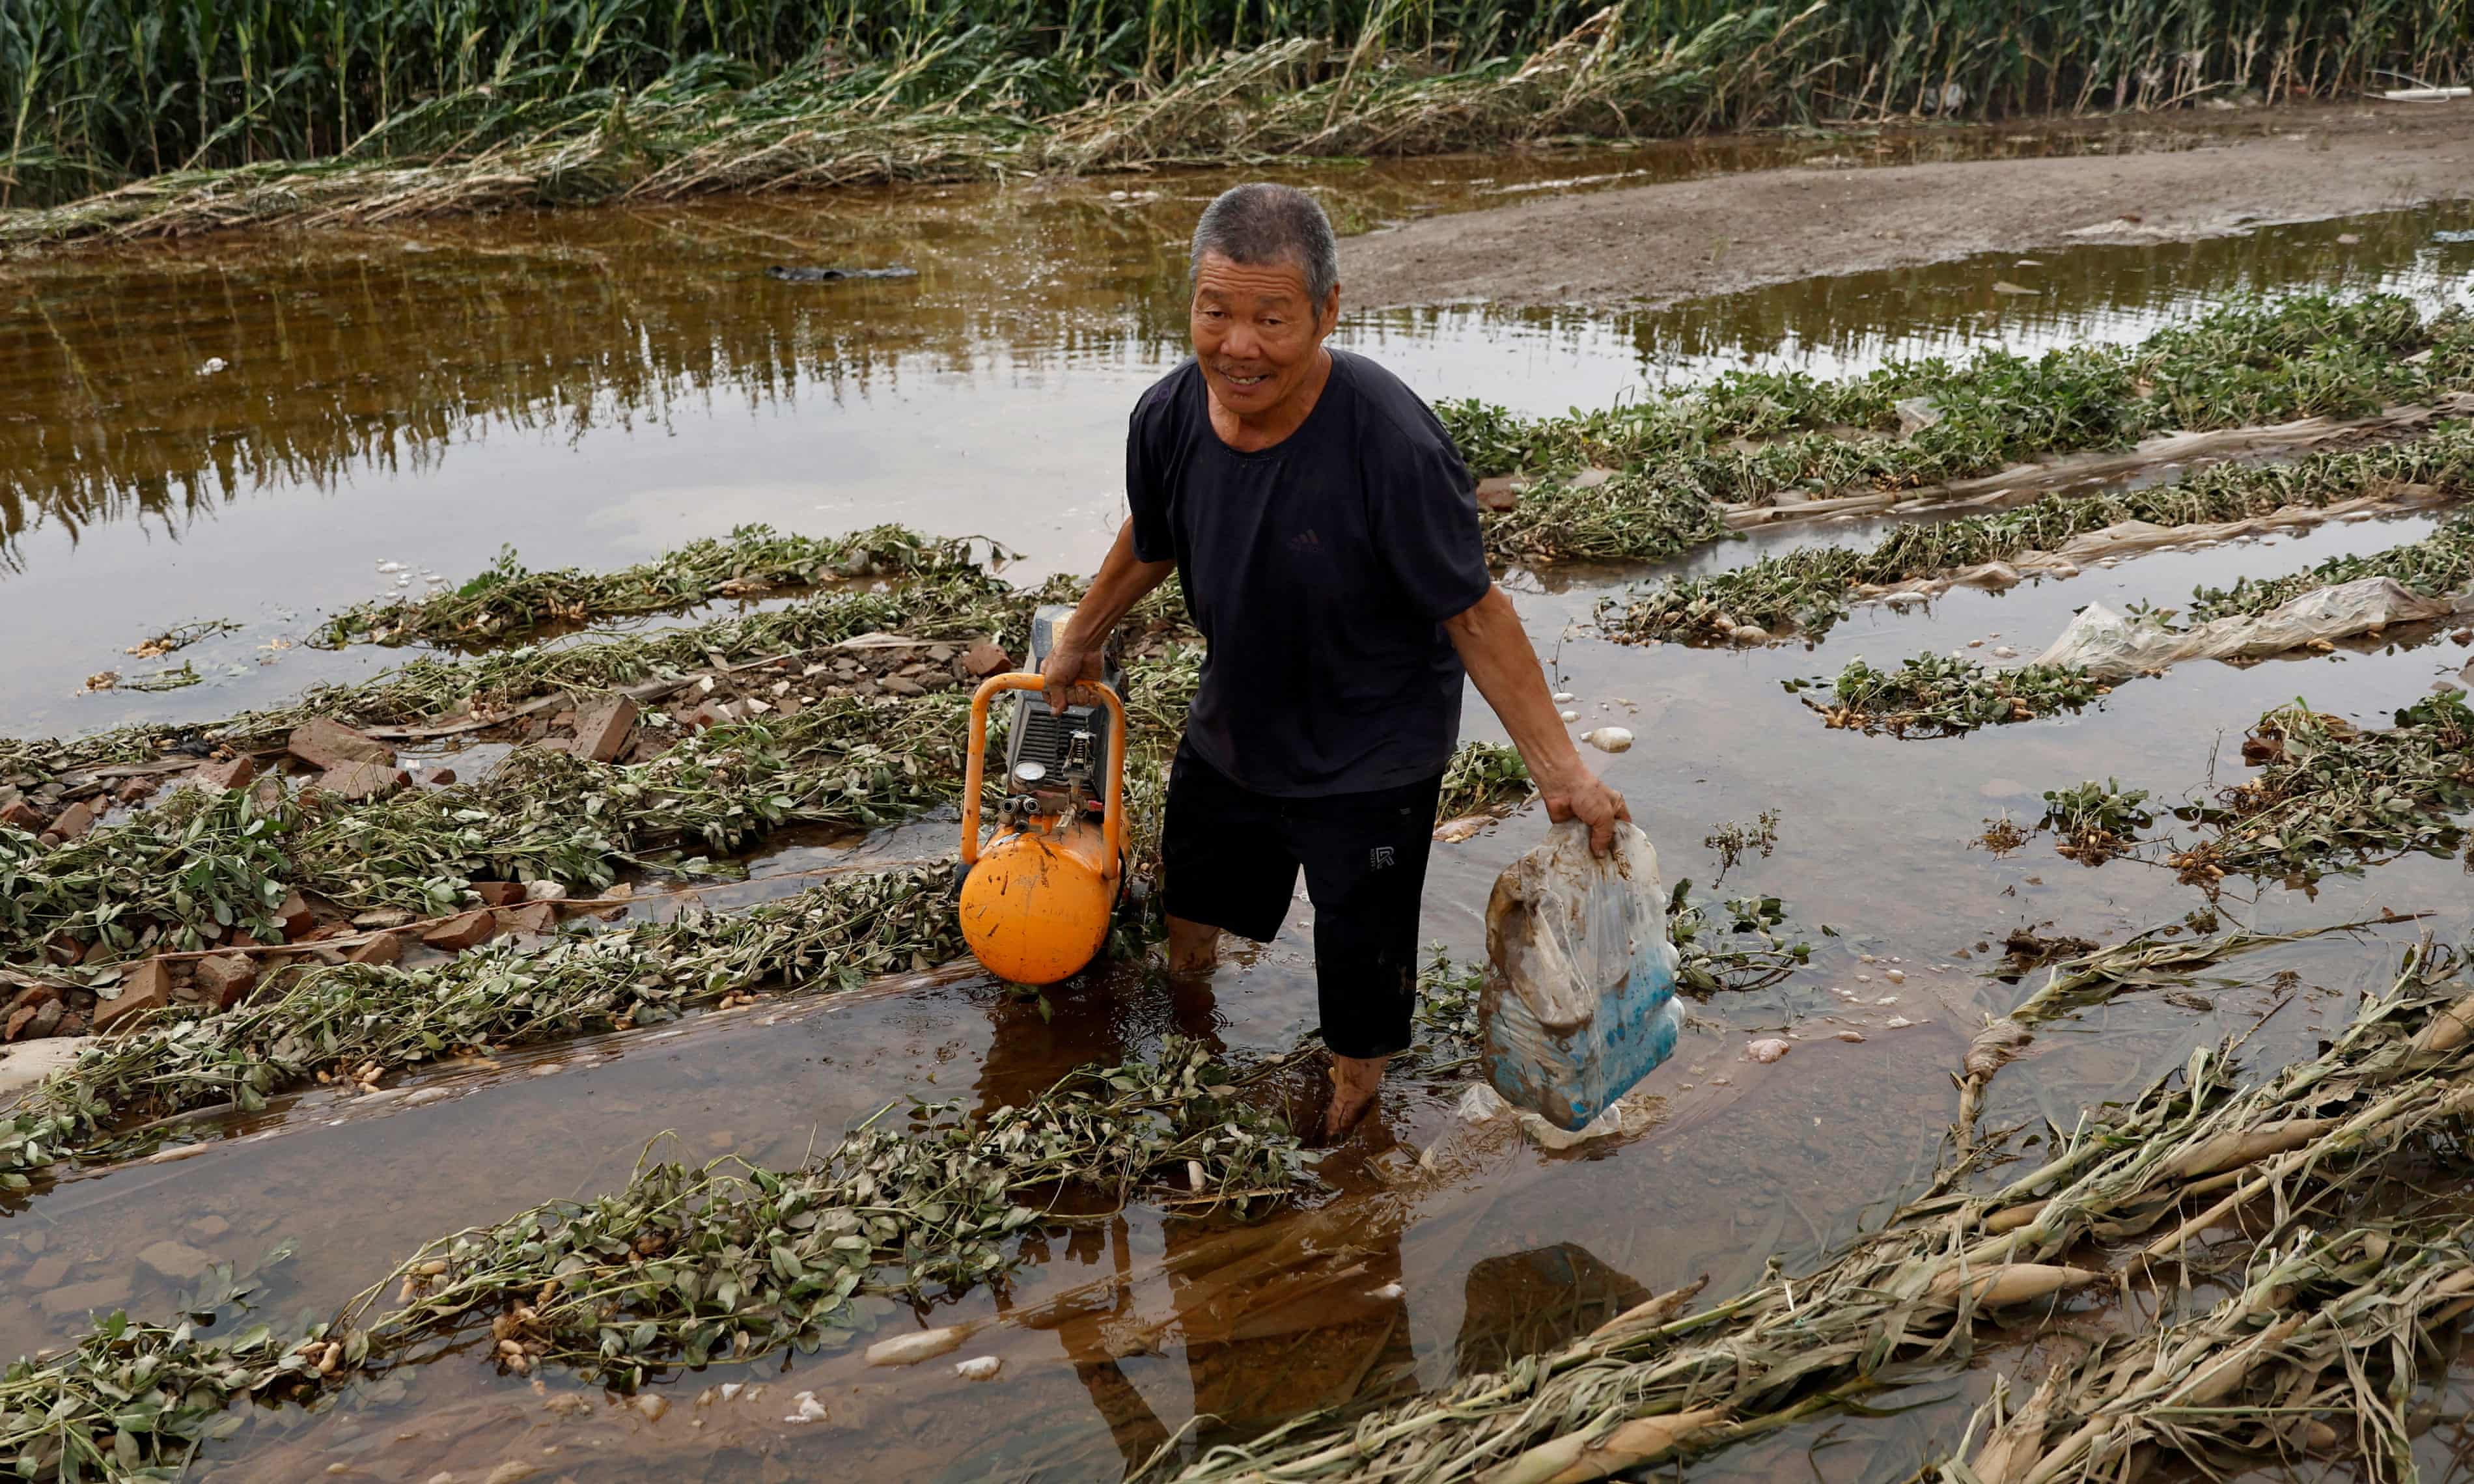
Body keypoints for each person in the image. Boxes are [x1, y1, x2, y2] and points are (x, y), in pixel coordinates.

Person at [1042, 182, 1629, 1138]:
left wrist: (1563, 773)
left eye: (1272, 318)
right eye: (1216, 311)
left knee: (1361, 988)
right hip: (1236, 720)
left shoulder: (1390, 442)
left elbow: (1475, 613)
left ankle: (1353, 1126)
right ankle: (1196, 1065)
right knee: (1189, 916)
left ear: (1327, 312)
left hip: (1372, 752)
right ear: (1190, 301)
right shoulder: (1168, 416)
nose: (1239, 346)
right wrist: (1081, 636)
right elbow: (1155, 538)